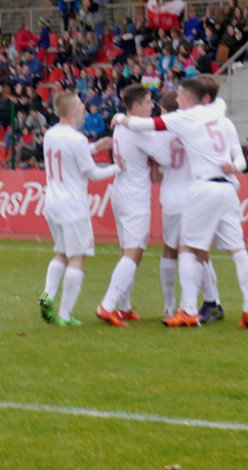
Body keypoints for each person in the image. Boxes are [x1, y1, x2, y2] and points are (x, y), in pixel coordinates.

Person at [112, 75, 248, 329]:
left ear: (189, 99)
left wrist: (120, 119)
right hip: (228, 188)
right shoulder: (223, 120)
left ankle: (187, 309)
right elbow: (242, 161)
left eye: (180, 96)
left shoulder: (184, 118)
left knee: (187, 249)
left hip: (201, 188)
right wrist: (232, 166)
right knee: (238, 250)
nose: (177, 100)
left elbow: (145, 126)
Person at [38, 91, 120, 327]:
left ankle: (47, 295)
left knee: (62, 252)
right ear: (72, 111)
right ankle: (65, 314)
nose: (84, 106)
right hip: (73, 204)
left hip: (52, 202)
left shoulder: (51, 134)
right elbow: (93, 173)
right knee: (77, 256)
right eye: (80, 104)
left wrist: (95, 147)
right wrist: (118, 168)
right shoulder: (76, 139)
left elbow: (69, 157)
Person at [96, 85, 157, 327]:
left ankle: (124, 307)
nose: (152, 105)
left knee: (128, 251)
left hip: (121, 192)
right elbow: (163, 156)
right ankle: (107, 306)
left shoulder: (121, 125)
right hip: (135, 196)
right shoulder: (137, 131)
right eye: (149, 101)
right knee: (134, 253)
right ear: (136, 106)